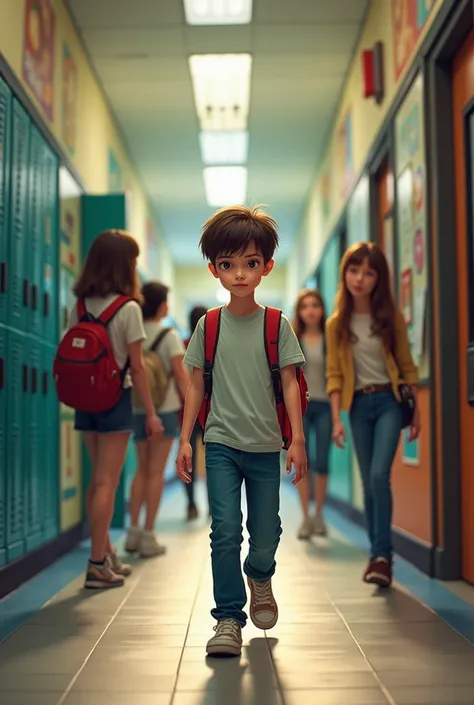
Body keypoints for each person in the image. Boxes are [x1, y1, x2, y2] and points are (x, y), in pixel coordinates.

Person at [176, 205, 307, 658]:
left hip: (267, 444)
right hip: (220, 443)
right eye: (228, 265)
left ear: (266, 266)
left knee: (265, 532)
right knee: (225, 529)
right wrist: (185, 441)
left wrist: (298, 441)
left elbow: (290, 383)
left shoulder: (277, 325)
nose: (239, 274)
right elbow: (195, 384)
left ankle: (260, 573)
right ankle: (228, 618)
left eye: (250, 264)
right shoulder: (208, 326)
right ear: (214, 269)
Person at [65, 229, 163, 589]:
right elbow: (137, 368)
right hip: (115, 400)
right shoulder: (129, 308)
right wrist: (151, 412)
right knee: (108, 481)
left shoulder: (79, 304)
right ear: (125, 265)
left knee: (97, 480)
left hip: (84, 400)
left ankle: (106, 554)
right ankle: (95, 565)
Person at [325, 242, 420, 588]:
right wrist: (337, 418)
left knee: (380, 475)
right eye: (354, 270)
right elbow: (334, 374)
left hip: (389, 402)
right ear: (345, 274)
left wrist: (417, 412)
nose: (360, 279)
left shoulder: (389, 316)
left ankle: (383, 555)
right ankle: (377, 555)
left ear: (379, 278)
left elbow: (407, 366)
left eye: (368, 272)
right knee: (368, 482)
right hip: (359, 407)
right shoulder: (336, 324)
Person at [125, 282, 189, 557]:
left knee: (141, 470)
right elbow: (181, 375)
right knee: (156, 473)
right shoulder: (169, 335)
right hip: (163, 411)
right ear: (162, 305)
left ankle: (133, 531)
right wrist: (194, 405)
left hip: (138, 408)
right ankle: (150, 534)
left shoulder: (135, 331)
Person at [292, 289, 332, 539]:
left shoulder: (332, 339)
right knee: (303, 462)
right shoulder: (294, 339)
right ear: (299, 311)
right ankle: (305, 517)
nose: (310, 310)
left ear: (322, 309)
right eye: (305, 306)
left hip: (326, 405)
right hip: (302, 408)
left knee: (323, 462)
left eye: (315, 305)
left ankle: (319, 515)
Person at [183, 305, 209, 521]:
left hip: (185, 412)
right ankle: (213, 506)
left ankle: (191, 505)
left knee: (187, 459)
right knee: (213, 460)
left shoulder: (183, 345)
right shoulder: (211, 345)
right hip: (209, 412)